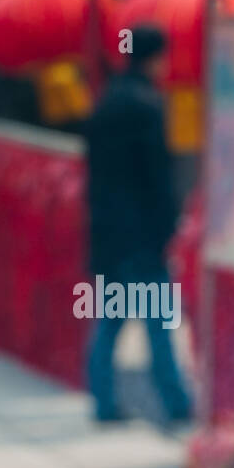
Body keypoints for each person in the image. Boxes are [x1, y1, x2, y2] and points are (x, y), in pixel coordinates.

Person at [83, 24, 191, 425]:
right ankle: (176, 404)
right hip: (143, 238)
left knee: (109, 324)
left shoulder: (106, 101)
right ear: (155, 57)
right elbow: (157, 179)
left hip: (108, 236)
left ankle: (103, 402)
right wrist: (168, 229)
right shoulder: (148, 105)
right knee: (158, 326)